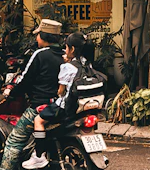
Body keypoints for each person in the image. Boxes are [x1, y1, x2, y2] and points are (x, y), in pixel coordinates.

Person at [22, 32, 95, 169]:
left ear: (72, 49)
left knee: (38, 120)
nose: (65, 50)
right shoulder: (88, 65)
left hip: (66, 106)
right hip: (85, 105)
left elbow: (61, 91)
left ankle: (39, 156)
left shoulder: (67, 67)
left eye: (66, 47)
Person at [0, 20, 64, 170]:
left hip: (40, 106)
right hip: (59, 105)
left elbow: (25, 80)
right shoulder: (65, 54)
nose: (36, 38)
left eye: (38, 35)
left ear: (43, 36)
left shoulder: (40, 55)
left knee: (14, 141)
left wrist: (12, 92)